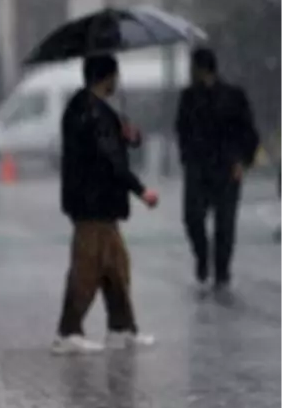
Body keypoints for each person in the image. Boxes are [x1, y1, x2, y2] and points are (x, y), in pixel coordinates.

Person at [55, 54, 158, 355]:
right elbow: (110, 159)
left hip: (98, 204)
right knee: (86, 269)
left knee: (116, 267)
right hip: (92, 204)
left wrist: (130, 136)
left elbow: (115, 143)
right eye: (116, 75)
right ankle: (67, 332)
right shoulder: (90, 112)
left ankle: (121, 328)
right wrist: (141, 190)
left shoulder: (91, 110)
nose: (118, 82)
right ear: (107, 77)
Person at [175, 47, 259, 290]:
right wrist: (187, 157)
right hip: (198, 167)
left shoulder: (233, 96)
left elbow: (248, 131)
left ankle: (222, 271)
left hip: (226, 166)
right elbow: (181, 129)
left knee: (225, 223)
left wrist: (242, 161)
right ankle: (203, 256)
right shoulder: (188, 97)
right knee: (193, 218)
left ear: (201, 69)